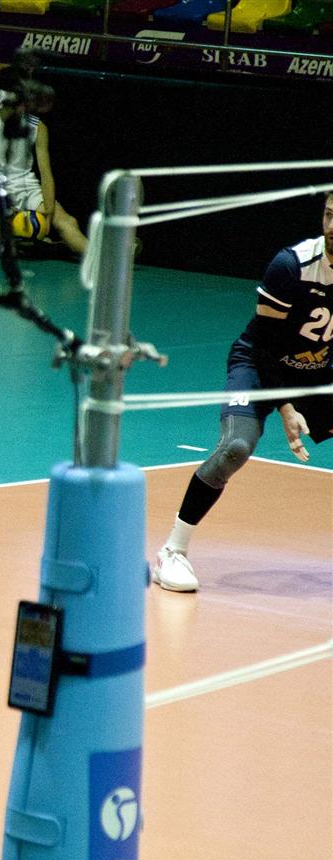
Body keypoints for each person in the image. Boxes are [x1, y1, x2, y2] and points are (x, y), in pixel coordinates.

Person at [153, 192, 333, 592]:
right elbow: (265, 346)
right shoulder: (291, 265)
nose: (332, 227)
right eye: (328, 215)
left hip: (315, 370)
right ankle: (172, 551)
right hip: (257, 366)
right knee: (236, 446)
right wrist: (286, 407)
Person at [0, 67, 89, 257]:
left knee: (67, 222)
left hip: (28, 188)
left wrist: (48, 214)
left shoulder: (37, 127)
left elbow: (46, 174)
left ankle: (107, 258)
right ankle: (23, 241)